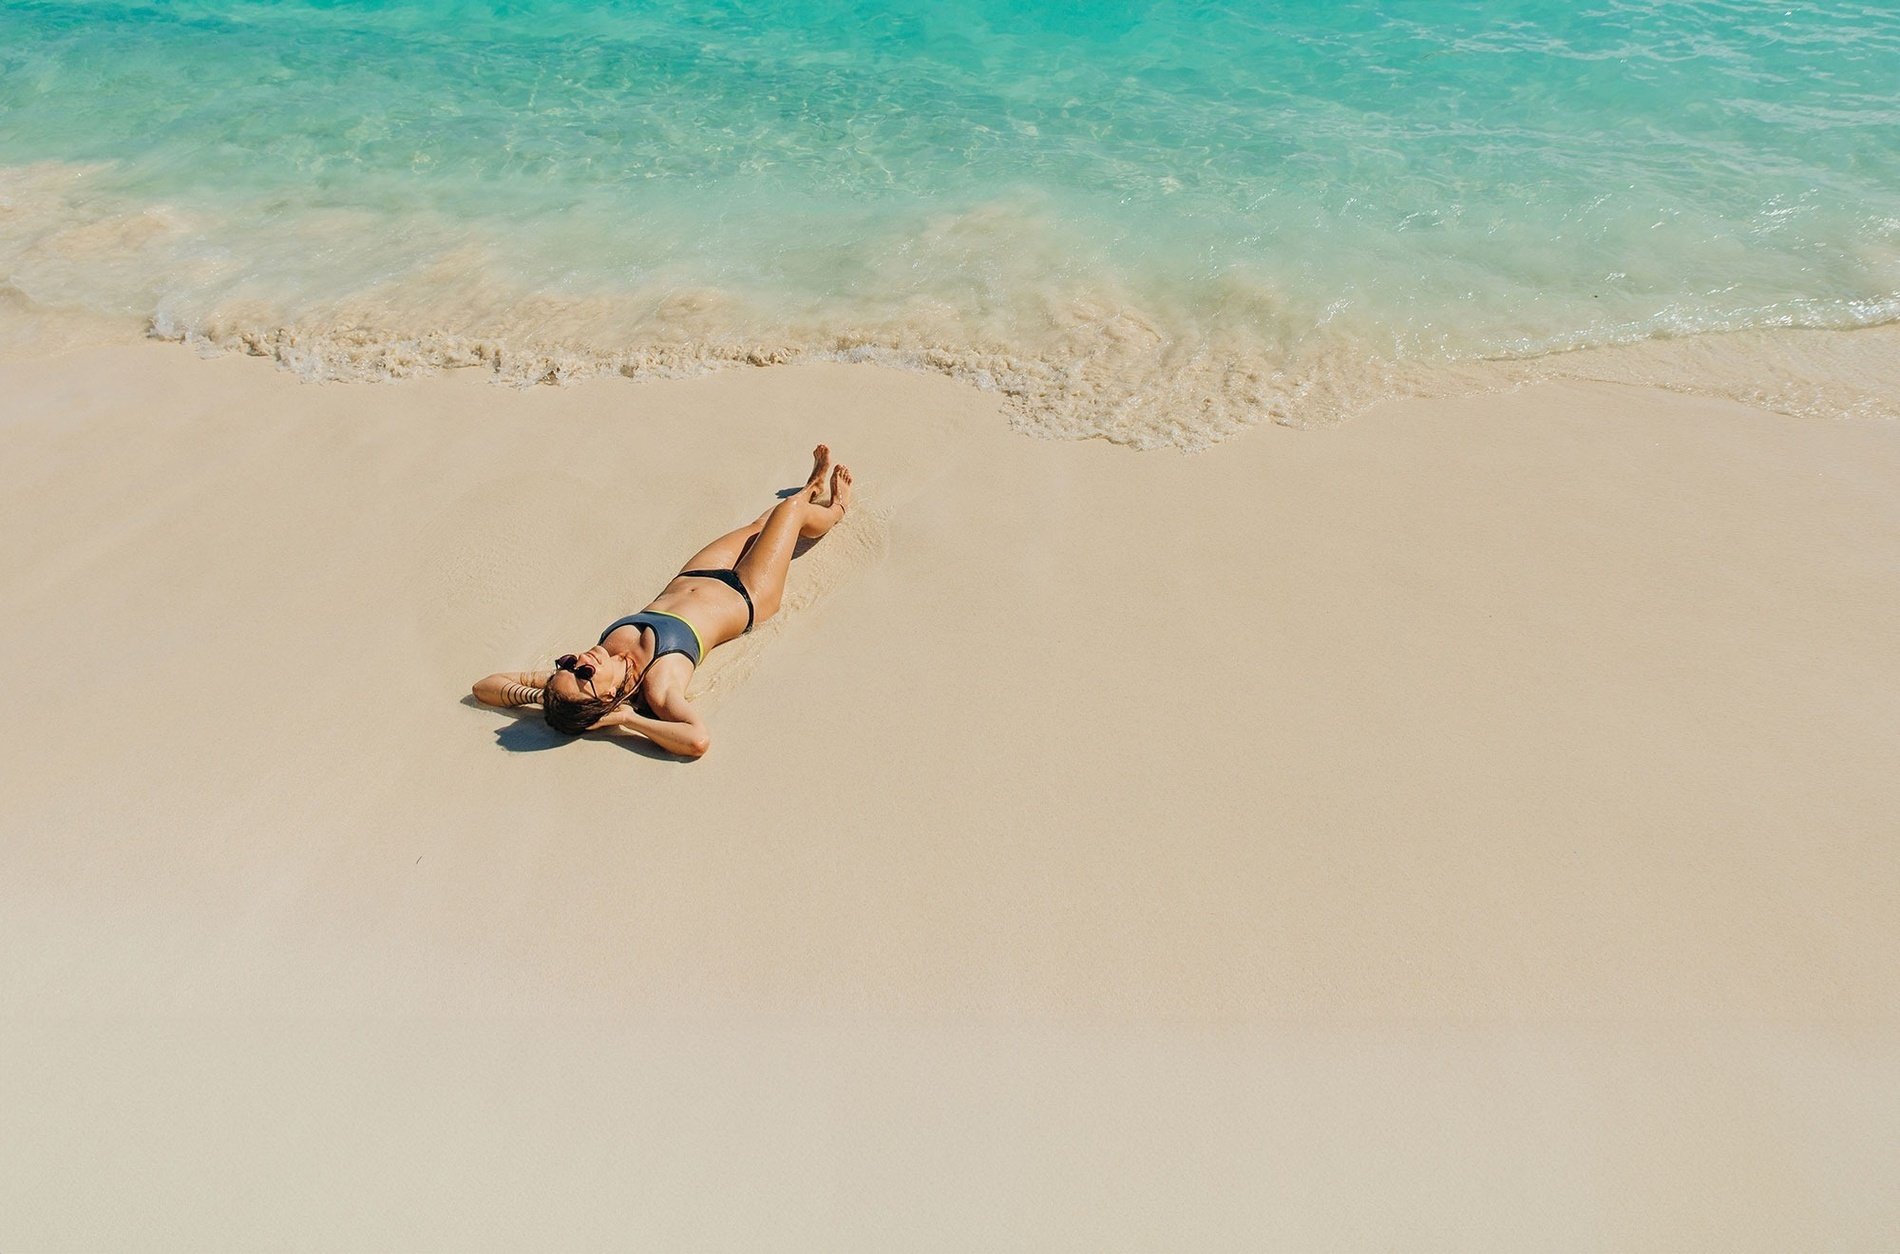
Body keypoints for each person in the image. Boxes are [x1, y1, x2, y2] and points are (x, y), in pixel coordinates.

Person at [472, 445, 852, 757]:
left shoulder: (566, 687)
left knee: (759, 527)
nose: (580, 661)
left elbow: (485, 687)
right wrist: (625, 720)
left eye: (567, 663)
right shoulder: (658, 685)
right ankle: (831, 506)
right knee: (790, 513)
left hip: (696, 576)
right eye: (583, 674)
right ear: (606, 697)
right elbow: (697, 739)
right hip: (749, 592)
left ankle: (810, 492)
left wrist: (551, 699)